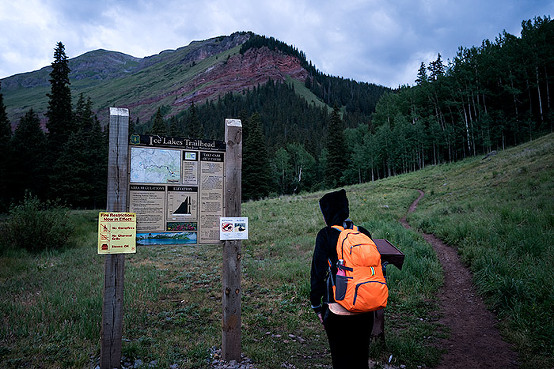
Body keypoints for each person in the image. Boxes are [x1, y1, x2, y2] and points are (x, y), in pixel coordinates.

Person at [310, 189, 374, 369]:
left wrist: (316, 305)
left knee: (340, 360)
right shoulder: (363, 233)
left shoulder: (325, 235)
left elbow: (318, 272)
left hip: (337, 309)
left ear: (327, 213)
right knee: (361, 359)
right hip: (365, 308)